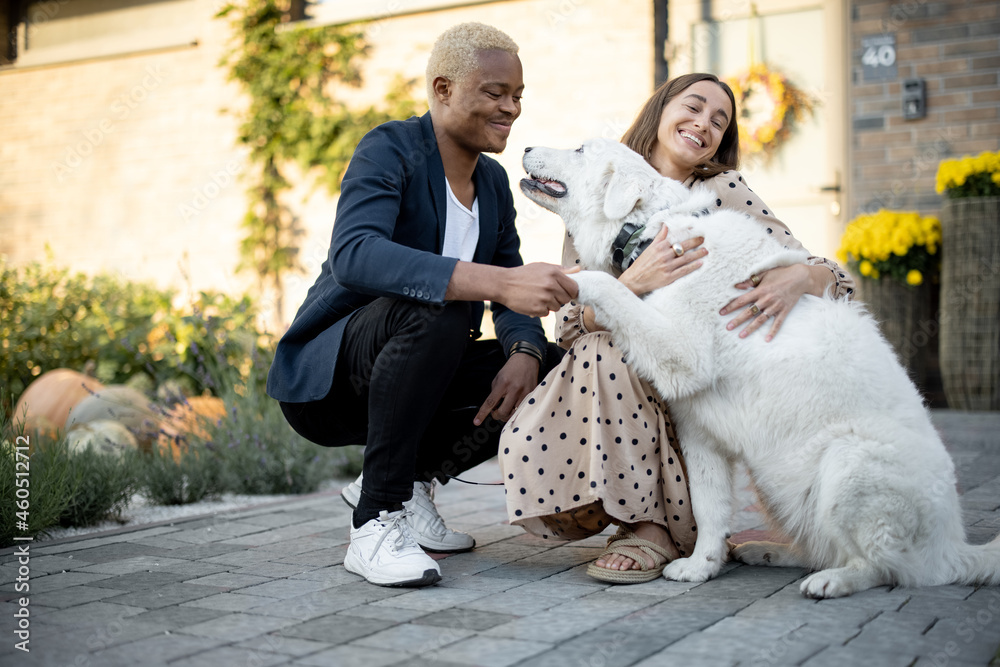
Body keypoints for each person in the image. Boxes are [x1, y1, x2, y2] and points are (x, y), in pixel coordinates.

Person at [498, 72, 857, 584]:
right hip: (633, 383)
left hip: (711, 377)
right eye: (694, 106)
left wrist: (800, 275)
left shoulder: (723, 190)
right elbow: (571, 327)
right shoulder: (596, 182)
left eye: (719, 121)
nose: (703, 124)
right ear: (661, 109)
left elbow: (836, 277)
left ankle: (672, 528)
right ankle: (649, 526)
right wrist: (633, 283)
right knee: (600, 351)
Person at [267, 23, 575, 587]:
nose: (510, 108)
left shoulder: (494, 183)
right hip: (333, 378)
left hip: (421, 368)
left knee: (550, 366)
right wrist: (497, 286)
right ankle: (376, 522)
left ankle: (407, 483)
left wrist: (526, 347)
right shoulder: (391, 149)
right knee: (440, 305)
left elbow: (509, 278)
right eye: (494, 92)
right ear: (442, 89)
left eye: (517, 96)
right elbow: (356, 255)